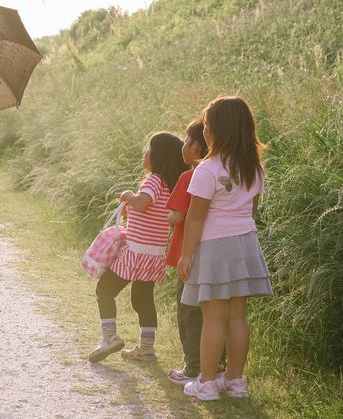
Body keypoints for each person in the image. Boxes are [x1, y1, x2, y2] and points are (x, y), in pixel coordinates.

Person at [177, 96, 272, 401]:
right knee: (236, 317)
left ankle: (206, 383)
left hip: (215, 247)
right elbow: (251, 211)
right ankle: (235, 381)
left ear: (219, 130)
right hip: (245, 244)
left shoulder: (208, 169)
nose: (204, 131)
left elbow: (196, 216)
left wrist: (187, 255)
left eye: (207, 125)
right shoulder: (254, 168)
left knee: (214, 317)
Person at [88, 132, 186, 363]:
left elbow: (142, 203)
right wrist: (130, 208)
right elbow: (152, 212)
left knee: (104, 290)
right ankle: (146, 348)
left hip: (135, 252)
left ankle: (110, 337)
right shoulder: (169, 185)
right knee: (142, 300)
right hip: (153, 254)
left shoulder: (153, 180)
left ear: (158, 156)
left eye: (149, 148)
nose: (145, 152)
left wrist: (128, 196)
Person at [164, 118, 213, 384]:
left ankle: (193, 367)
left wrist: (166, 214)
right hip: (213, 253)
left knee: (187, 311)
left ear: (195, 147)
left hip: (188, 255)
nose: (183, 145)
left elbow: (178, 215)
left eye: (185, 141)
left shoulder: (189, 176)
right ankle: (217, 366)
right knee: (214, 314)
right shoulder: (220, 173)